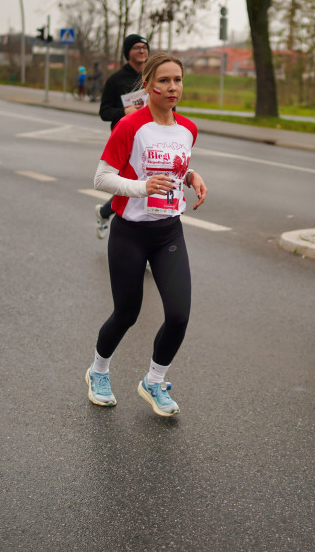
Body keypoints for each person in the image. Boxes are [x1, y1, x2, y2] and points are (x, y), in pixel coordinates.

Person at [85, 53, 207, 416]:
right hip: (130, 233)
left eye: (179, 80)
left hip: (169, 230)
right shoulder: (130, 126)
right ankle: (98, 371)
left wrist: (190, 176)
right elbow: (101, 178)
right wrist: (141, 188)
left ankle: (154, 381)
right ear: (148, 84)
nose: (173, 88)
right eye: (165, 80)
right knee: (127, 312)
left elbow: (172, 163)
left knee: (179, 315)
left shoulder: (188, 129)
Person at [95, 34, 149, 238]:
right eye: (137, 47)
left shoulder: (152, 77)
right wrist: (124, 113)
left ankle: (105, 212)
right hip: (125, 140)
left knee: (143, 183)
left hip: (150, 139)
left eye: (145, 47)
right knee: (133, 183)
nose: (142, 50)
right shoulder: (116, 80)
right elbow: (104, 112)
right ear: (128, 52)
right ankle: (110, 216)